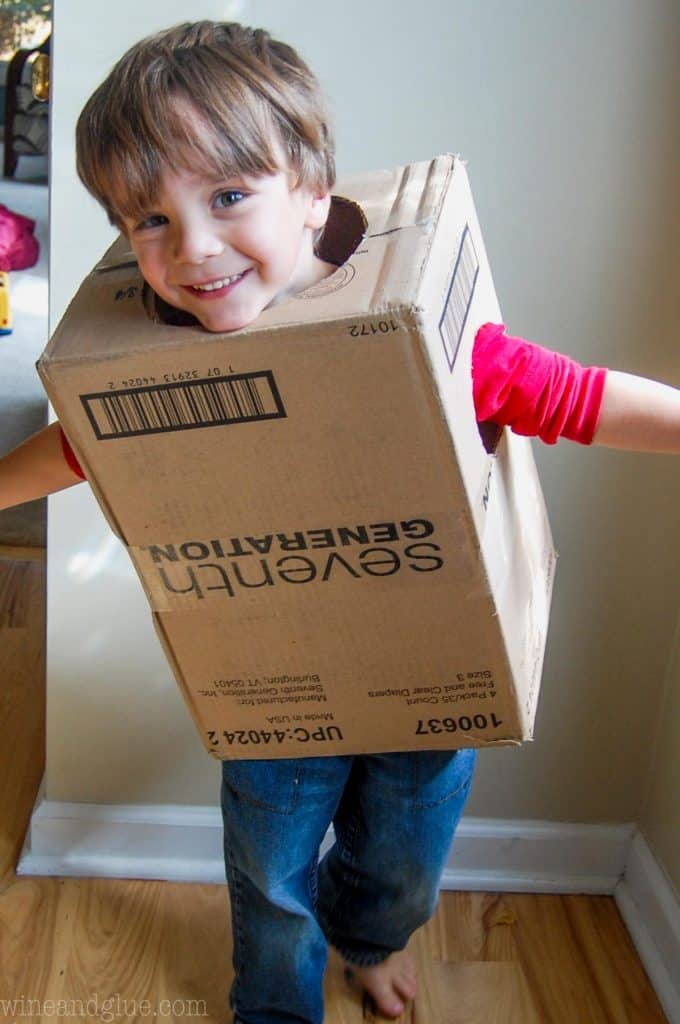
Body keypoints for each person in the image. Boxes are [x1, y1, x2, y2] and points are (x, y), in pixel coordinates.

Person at [0, 21, 678, 1024]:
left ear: (314, 191)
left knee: (403, 861)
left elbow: (573, 397)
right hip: (278, 687)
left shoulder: (420, 341)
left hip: (434, 666)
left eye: (228, 196)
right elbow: (76, 445)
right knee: (270, 876)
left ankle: (369, 942)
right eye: (148, 219)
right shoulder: (153, 362)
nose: (190, 246)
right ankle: (272, 1004)